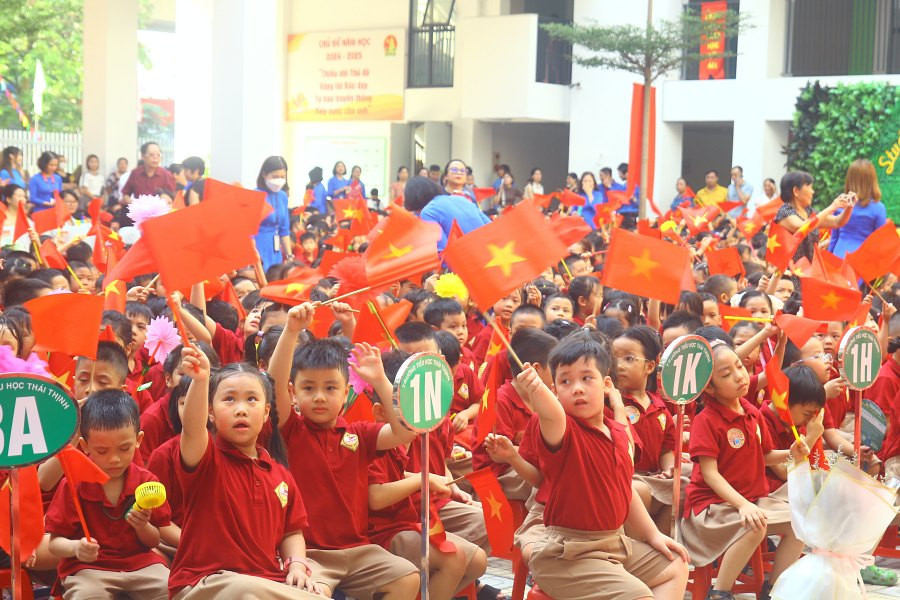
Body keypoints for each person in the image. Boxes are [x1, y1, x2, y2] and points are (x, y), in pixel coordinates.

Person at [515, 330, 689, 599]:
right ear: (555, 390)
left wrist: (653, 535)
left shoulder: (617, 431)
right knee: (638, 595)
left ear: (606, 384)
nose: (577, 388)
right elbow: (551, 414)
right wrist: (536, 389)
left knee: (676, 564)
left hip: (613, 544)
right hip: (567, 553)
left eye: (586, 378)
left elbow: (625, 490)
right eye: (565, 381)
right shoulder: (563, 429)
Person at [269, 309, 422, 599]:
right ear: (293, 392)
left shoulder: (359, 433)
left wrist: (380, 381)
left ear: (345, 392)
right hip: (312, 554)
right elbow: (273, 388)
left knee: (407, 577)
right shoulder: (291, 430)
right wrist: (291, 331)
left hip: (359, 550)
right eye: (308, 388)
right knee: (312, 594)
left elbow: (404, 432)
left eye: (330, 388)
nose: (319, 397)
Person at [169, 349, 323, 598]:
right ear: (211, 412)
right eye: (229, 399)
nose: (241, 409)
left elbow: (292, 531)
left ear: (266, 412)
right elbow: (193, 428)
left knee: (316, 589)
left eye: (251, 399)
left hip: (264, 581)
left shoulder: (281, 475)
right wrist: (201, 380)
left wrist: (296, 566)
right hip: (204, 582)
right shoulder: (205, 459)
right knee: (245, 588)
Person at [679, 335, 817, 599]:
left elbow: (763, 456)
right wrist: (742, 505)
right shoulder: (705, 420)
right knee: (755, 525)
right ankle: (720, 592)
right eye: (726, 374)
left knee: (800, 521)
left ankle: (773, 590)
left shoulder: (751, 411)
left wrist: (789, 453)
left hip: (751, 499)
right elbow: (710, 474)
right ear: (709, 388)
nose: (739, 376)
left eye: (739, 366)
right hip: (712, 506)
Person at [46, 390, 172, 599]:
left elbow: (153, 541)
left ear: (138, 440)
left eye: (124, 448)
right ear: (84, 446)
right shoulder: (73, 484)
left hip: (140, 564)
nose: (114, 459)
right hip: (89, 567)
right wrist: (76, 547)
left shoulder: (146, 482)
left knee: (170, 589)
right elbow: (54, 543)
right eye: (102, 451)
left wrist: (142, 526)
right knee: (87, 595)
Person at [775, 171, 852, 263]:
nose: (812, 192)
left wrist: (850, 206)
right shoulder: (784, 211)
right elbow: (802, 228)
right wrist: (831, 207)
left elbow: (837, 222)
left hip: (807, 269)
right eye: (810, 187)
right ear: (796, 191)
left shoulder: (809, 211)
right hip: (788, 270)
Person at [404, 176, 489, 252]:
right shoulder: (461, 199)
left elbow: (443, 252)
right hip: (489, 254)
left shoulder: (428, 212)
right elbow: (490, 225)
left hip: (467, 259)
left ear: (412, 199)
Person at [828, 159, 887, 258]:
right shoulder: (878, 208)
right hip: (863, 261)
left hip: (838, 257)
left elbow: (834, 239)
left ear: (849, 180)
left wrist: (828, 260)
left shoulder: (842, 204)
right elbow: (880, 243)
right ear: (872, 181)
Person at [254, 156, 292, 271]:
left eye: (282, 177)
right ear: (264, 174)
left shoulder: (283, 196)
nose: (279, 180)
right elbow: (248, 231)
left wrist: (289, 255)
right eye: (275, 177)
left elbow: (284, 230)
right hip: (258, 246)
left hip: (275, 249)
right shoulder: (255, 196)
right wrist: (254, 254)